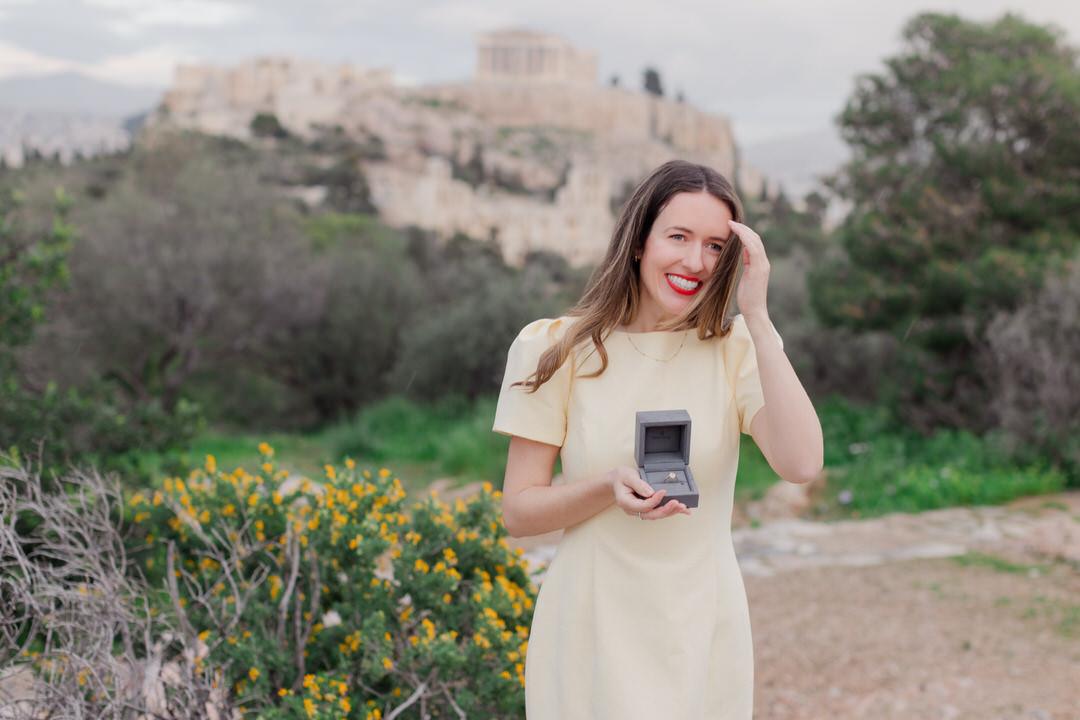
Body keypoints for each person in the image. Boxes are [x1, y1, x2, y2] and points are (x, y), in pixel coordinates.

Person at [492, 159, 824, 720]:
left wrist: (759, 318)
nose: (696, 261)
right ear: (640, 241)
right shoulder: (555, 347)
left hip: (701, 623)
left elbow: (801, 462)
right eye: (679, 237)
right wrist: (605, 486)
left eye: (717, 246)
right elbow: (519, 513)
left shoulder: (737, 347)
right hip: (591, 623)